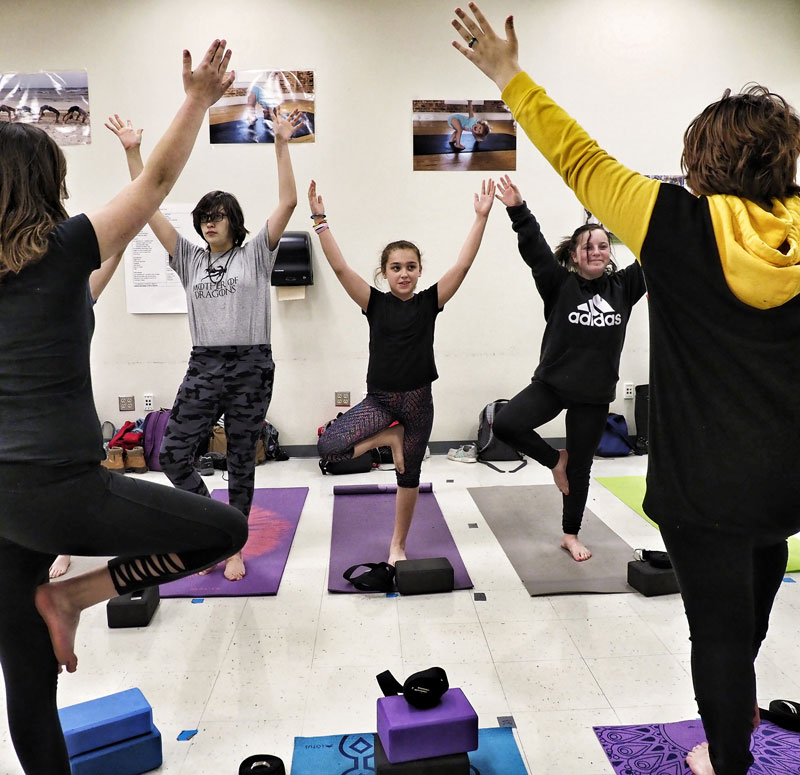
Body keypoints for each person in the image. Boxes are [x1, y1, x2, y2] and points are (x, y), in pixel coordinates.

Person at [450, 5, 800, 775]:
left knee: (716, 635)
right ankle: (739, 693)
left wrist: (508, 75)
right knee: (754, 589)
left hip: (703, 486)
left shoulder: (673, 222)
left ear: (700, 163)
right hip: (786, 481)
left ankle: (727, 755)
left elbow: (578, 156)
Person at [0, 40, 248, 775]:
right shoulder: (61, 249)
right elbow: (159, 184)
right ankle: (75, 596)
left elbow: (96, 280)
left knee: (27, 681)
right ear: (46, 185)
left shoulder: (69, 273)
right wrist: (197, 99)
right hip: (63, 487)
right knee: (222, 530)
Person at [106, 106, 301, 582]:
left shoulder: (256, 254)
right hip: (205, 365)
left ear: (234, 221)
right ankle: (216, 522)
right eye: (204, 218)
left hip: (251, 365)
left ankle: (233, 547)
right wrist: (133, 153)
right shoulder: (189, 259)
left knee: (241, 457)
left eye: (218, 217)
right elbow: (147, 207)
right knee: (173, 454)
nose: (210, 224)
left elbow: (288, 202)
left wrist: (281, 144)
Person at [309, 178, 496, 566]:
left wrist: (481, 217)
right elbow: (340, 267)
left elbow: (463, 265)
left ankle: (398, 545)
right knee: (330, 448)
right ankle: (389, 437)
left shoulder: (429, 303)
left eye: (411, 267)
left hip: (419, 404)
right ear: (384, 272)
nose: (404, 274)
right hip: (380, 401)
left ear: (420, 270)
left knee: (409, 477)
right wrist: (320, 220)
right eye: (396, 268)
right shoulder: (374, 303)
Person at [492, 174, 645, 562]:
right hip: (552, 385)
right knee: (506, 424)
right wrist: (518, 209)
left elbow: (655, 253)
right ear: (575, 255)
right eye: (587, 246)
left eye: (602, 245)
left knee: (581, 469)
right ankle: (553, 460)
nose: (596, 251)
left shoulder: (624, 287)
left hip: (593, 397)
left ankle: (570, 535)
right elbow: (535, 249)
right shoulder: (559, 284)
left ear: (609, 253)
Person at [48, 250, 125, 580]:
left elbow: (98, 280)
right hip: (30, 410)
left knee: (75, 475)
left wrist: (121, 245)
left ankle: (65, 544)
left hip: (67, 407)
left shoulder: (70, 301)